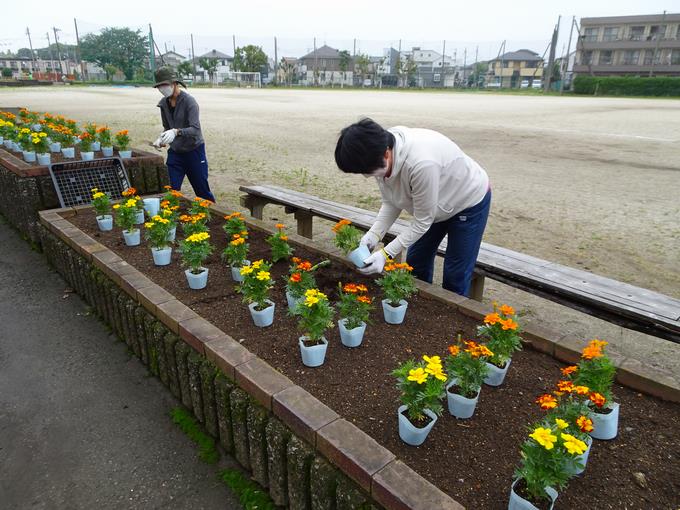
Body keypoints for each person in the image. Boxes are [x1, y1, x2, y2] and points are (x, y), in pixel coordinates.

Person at [334, 118, 491, 297]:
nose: (366, 176)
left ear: (386, 154)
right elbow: (391, 202)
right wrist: (374, 235)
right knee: (416, 261)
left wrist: (385, 255)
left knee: (455, 272)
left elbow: (423, 222)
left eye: (367, 172)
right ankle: (418, 304)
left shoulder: (421, 163)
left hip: (467, 200)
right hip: (433, 203)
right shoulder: (378, 149)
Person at [152, 67, 215, 202]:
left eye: (165, 84)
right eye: (159, 86)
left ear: (174, 83)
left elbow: (195, 130)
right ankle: (170, 219)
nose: (162, 88)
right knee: (171, 191)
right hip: (175, 153)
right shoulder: (163, 104)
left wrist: (177, 132)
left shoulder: (189, 102)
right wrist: (162, 139)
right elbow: (167, 127)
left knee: (202, 192)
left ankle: (214, 219)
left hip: (194, 151)